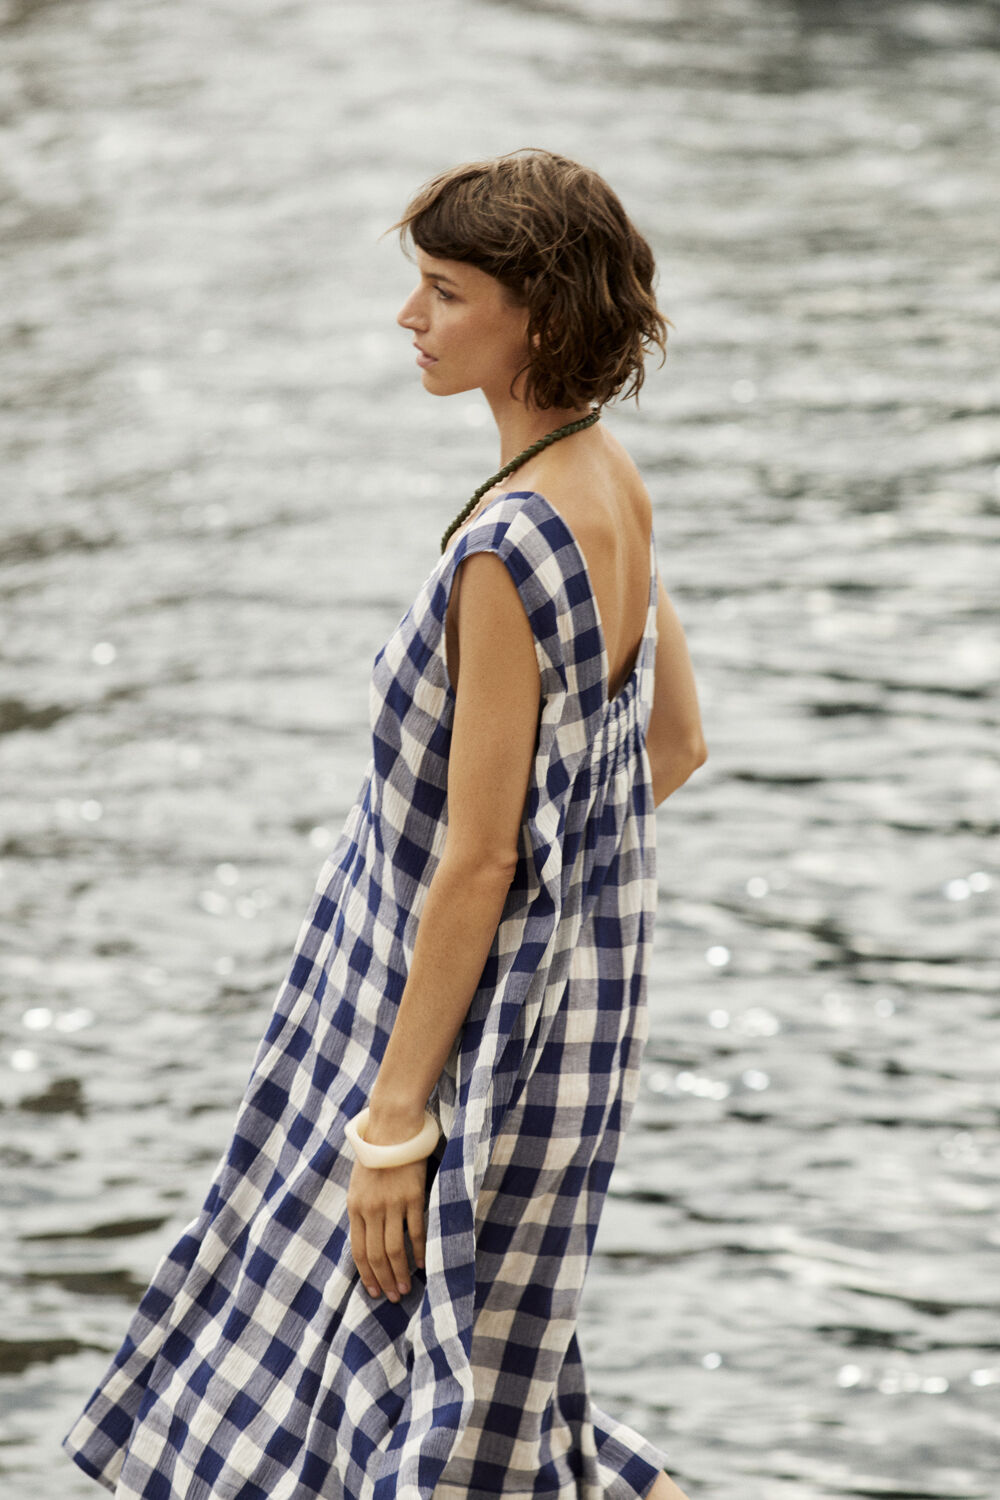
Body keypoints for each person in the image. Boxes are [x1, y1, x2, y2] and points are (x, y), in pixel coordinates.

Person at [63, 148, 706, 1500]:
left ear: (530, 312)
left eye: (442, 291)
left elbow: (475, 857)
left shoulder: (506, 547)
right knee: (482, 1382)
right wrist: (560, 912)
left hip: (450, 1034)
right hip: (568, 1022)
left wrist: (396, 1123)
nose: (410, 319)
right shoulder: (612, 484)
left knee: (392, 1390)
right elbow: (672, 746)